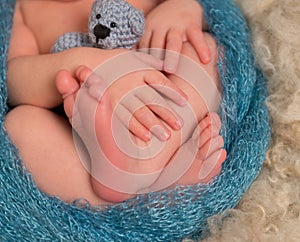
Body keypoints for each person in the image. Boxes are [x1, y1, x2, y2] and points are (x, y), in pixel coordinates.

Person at [5, 0, 226, 205]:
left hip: (164, 104)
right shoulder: (23, 10)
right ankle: (147, 193)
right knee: (19, 127)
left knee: (206, 50)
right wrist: (76, 62)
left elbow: (217, 9)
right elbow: (12, 80)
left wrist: (183, 7)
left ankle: (152, 164)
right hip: (86, 144)